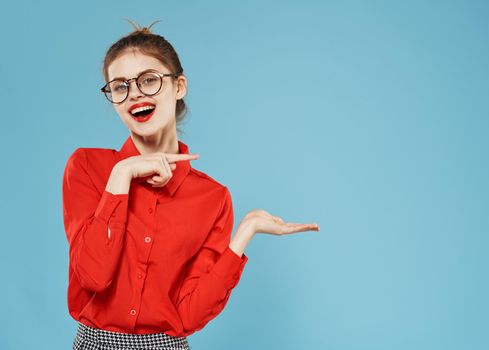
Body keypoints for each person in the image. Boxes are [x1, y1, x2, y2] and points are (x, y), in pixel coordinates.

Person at [62, 19, 320, 350]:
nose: (135, 94)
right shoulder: (87, 168)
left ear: (179, 86)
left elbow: (188, 315)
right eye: (120, 86)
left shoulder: (212, 198)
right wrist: (121, 175)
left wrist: (244, 234)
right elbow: (93, 276)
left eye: (149, 80)